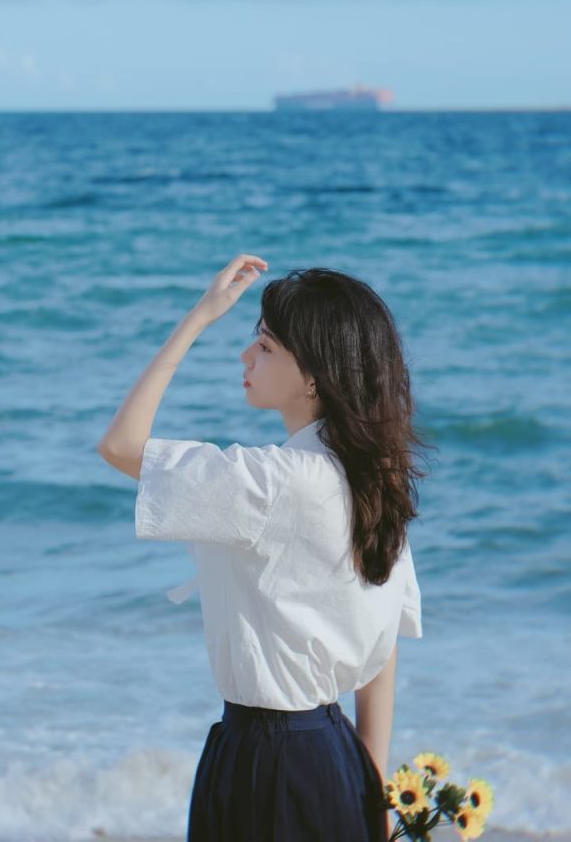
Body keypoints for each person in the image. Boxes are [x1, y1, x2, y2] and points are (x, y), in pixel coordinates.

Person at [97, 254, 429, 841]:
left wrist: (199, 317)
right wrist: (374, 797)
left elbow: (122, 444)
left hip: (265, 761)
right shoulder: (375, 480)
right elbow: (382, 652)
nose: (246, 356)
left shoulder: (276, 481)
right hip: (335, 759)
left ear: (314, 375)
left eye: (267, 347)